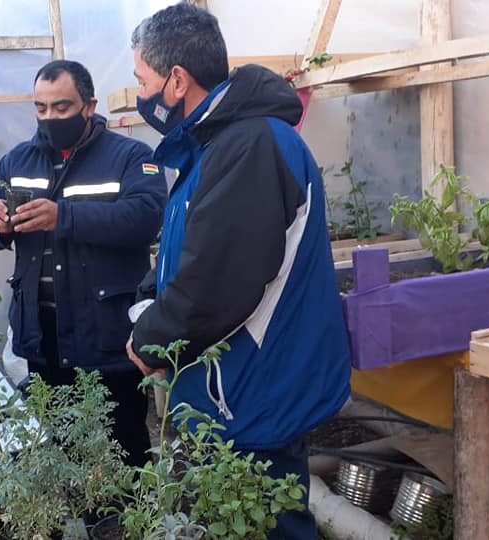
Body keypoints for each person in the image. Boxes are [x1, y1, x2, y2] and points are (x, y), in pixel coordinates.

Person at [125, 4, 351, 537]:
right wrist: (149, 297)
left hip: (256, 385)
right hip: (238, 383)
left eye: (142, 80)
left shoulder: (250, 146)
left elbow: (219, 281)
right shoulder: (216, 146)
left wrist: (152, 339)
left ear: (176, 80)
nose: (140, 95)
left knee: (270, 520)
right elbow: (191, 252)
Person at [0, 60, 167, 467]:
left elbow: (146, 215)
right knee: (56, 443)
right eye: (41, 108)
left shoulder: (130, 156)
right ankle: (75, 519)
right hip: (42, 335)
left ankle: (132, 520)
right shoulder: (18, 161)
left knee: (123, 439)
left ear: (89, 106)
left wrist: (65, 217)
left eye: (61, 107)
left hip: (105, 334)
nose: (50, 117)